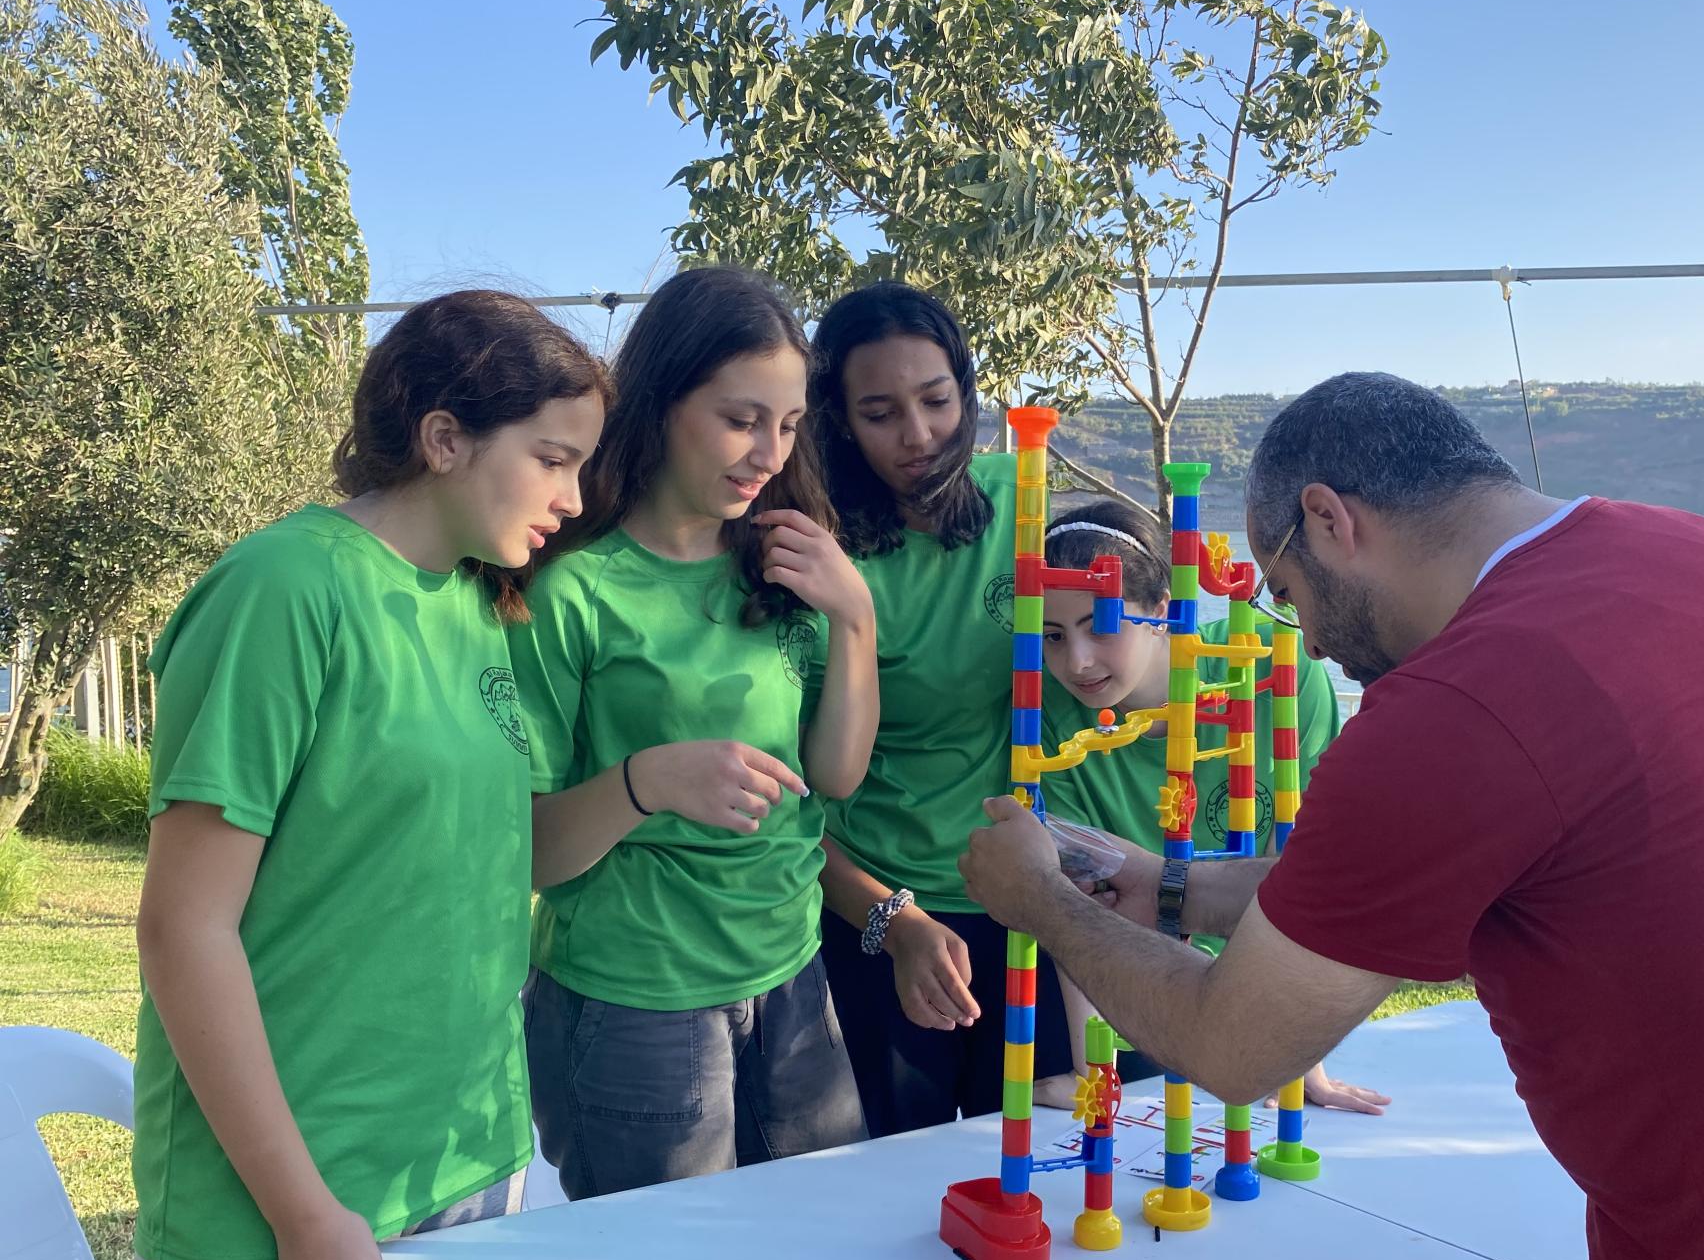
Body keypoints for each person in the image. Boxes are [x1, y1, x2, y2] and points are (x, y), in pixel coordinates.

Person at [958, 371, 1704, 1260]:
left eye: (1286, 597)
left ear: (1328, 520)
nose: (1305, 641)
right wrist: (1174, 890)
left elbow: (1233, 1047)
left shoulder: (1459, 704)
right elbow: (1483, 874)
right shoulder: (1701, 558)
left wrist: (1041, 900)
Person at [132, 291, 608, 1260]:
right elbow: (183, 930)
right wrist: (304, 1216)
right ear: (444, 438)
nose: (574, 498)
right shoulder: (283, 590)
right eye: (552, 459)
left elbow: (488, 861)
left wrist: (645, 786)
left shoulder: (478, 605)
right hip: (274, 1209)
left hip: (462, 1169)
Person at [511, 267, 878, 1196]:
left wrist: (855, 618)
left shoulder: (787, 564)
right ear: (662, 402)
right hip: (637, 997)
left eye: (788, 425)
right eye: (741, 419)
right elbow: (528, 852)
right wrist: (647, 782)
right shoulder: (574, 592)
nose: (768, 453)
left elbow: (835, 776)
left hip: (792, 973)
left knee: (818, 1237)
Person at [805, 280, 1079, 1137]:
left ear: (967, 390)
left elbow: (1119, 651)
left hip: (1025, 901)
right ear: (838, 420)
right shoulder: (820, 552)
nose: (919, 435)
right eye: (880, 412)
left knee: (1038, 1162)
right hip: (877, 913)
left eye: (936, 400)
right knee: (894, 1178)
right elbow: (791, 800)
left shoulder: (1025, 500)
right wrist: (893, 922)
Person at [1032, 500, 1388, 1116]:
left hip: (1256, 991)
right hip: (1135, 992)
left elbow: (1302, 873)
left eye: (1101, 625)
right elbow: (1078, 907)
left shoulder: (1273, 667)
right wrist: (1094, 1074)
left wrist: (1296, 1058)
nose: (1077, 661)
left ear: (1162, 609)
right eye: (1053, 636)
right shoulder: (1045, 723)